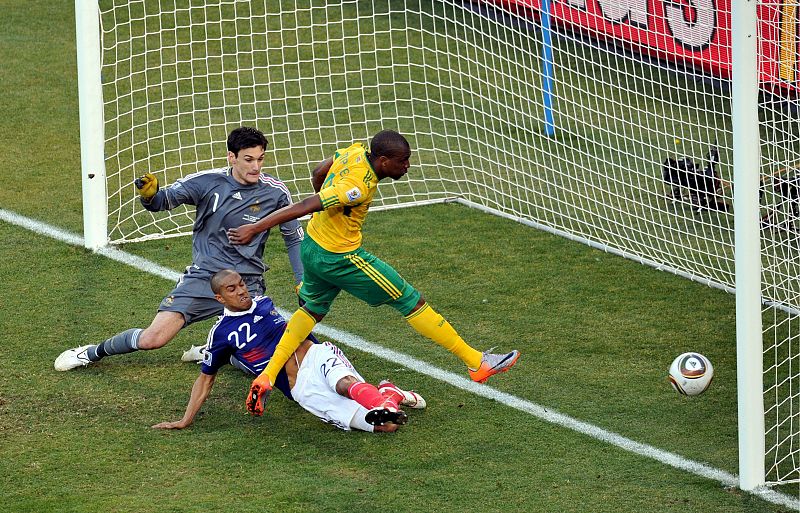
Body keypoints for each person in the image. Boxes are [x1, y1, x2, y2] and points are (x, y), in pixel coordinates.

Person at [226, 130, 520, 416]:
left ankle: (267, 375)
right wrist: (255, 228)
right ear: (383, 161)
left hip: (312, 245)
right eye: (402, 161)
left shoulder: (354, 151)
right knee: (409, 299)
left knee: (312, 308)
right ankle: (476, 362)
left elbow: (319, 171)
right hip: (340, 257)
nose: (407, 166)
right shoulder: (358, 187)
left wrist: (325, 204)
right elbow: (304, 205)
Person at [54, 127, 305, 371]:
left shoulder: (275, 193)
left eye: (260, 159)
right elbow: (164, 200)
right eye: (249, 159)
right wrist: (150, 197)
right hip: (205, 278)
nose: (256, 167)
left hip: (246, 284)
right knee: (152, 339)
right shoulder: (208, 182)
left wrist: (302, 281)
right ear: (232, 157)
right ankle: (91, 352)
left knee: (265, 360)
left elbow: (293, 238)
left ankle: (217, 352)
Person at [153, 270, 425, 432]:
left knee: (344, 384)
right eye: (231, 289)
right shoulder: (221, 334)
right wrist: (185, 420)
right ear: (219, 297)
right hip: (301, 390)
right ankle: (390, 393)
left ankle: (381, 402)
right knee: (386, 426)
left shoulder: (264, 303)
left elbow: (299, 329)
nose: (241, 291)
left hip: (316, 356)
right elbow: (205, 379)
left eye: (242, 284)